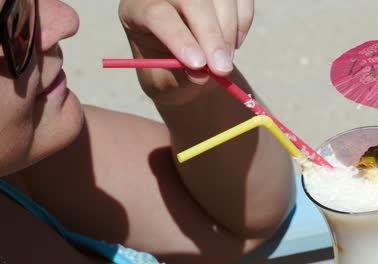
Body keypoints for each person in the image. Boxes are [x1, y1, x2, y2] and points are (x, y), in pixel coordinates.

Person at [0, 0, 296, 263]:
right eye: (15, 19)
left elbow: (242, 225)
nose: (67, 20)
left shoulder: (25, 167)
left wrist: (193, 98)